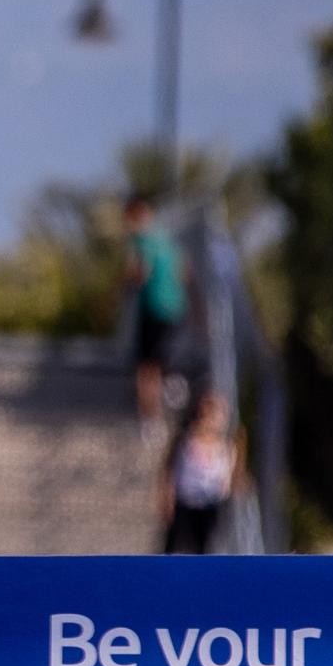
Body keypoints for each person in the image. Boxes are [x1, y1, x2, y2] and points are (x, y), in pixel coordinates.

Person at [122, 196, 188, 422]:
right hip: (175, 308)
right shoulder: (167, 239)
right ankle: (168, 391)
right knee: (159, 362)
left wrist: (123, 286)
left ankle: (149, 416)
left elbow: (141, 273)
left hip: (152, 307)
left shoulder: (141, 240)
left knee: (145, 366)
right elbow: (184, 273)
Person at [163, 385, 244, 553]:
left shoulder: (227, 444)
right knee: (173, 544)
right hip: (185, 500)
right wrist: (167, 495)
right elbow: (169, 468)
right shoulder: (184, 439)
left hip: (211, 502)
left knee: (205, 546)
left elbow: (234, 473)